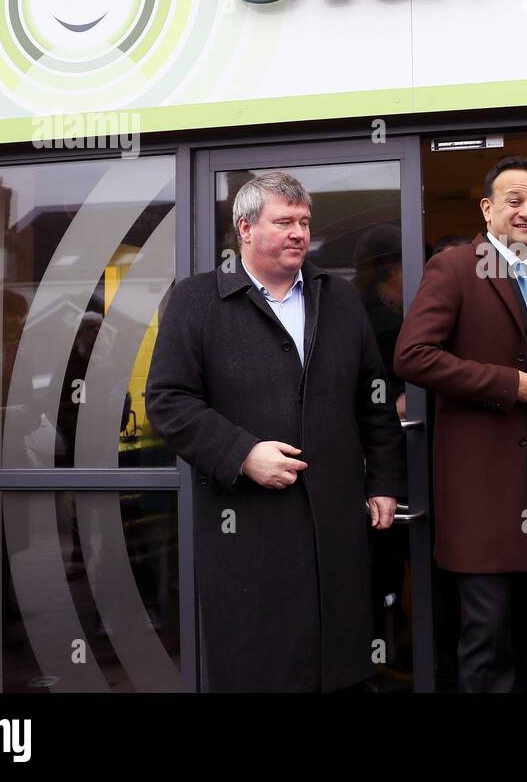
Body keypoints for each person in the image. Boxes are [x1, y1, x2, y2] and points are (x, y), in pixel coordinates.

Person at [146, 171, 406, 692]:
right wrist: (242, 453)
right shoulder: (197, 301)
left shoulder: (339, 299)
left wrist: (382, 481)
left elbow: (372, 397)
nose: (298, 233)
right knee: (260, 668)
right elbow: (168, 401)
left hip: (335, 523)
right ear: (244, 228)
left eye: (304, 222)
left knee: (341, 666)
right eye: (283, 222)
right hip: (246, 527)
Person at [395, 155, 527, 692]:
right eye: (515, 201)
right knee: (488, 632)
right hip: (482, 488)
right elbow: (412, 356)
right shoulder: (457, 267)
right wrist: (511, 385)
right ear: (487, 209)